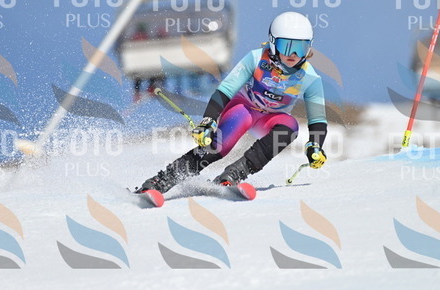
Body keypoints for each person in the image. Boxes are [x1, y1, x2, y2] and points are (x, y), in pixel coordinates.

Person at [136, 11, 328, 193]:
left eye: (300, 48)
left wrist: (315, 146)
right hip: (244, 108)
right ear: (273, 43)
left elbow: (318, 119)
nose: (293, 54)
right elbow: (226, 90)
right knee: (219, 146)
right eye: (286, 46)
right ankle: (161, 181)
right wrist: (208, 121)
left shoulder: (310, 78)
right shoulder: (256, 59)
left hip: (270, 119)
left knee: (290, 126)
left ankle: (234, 174)